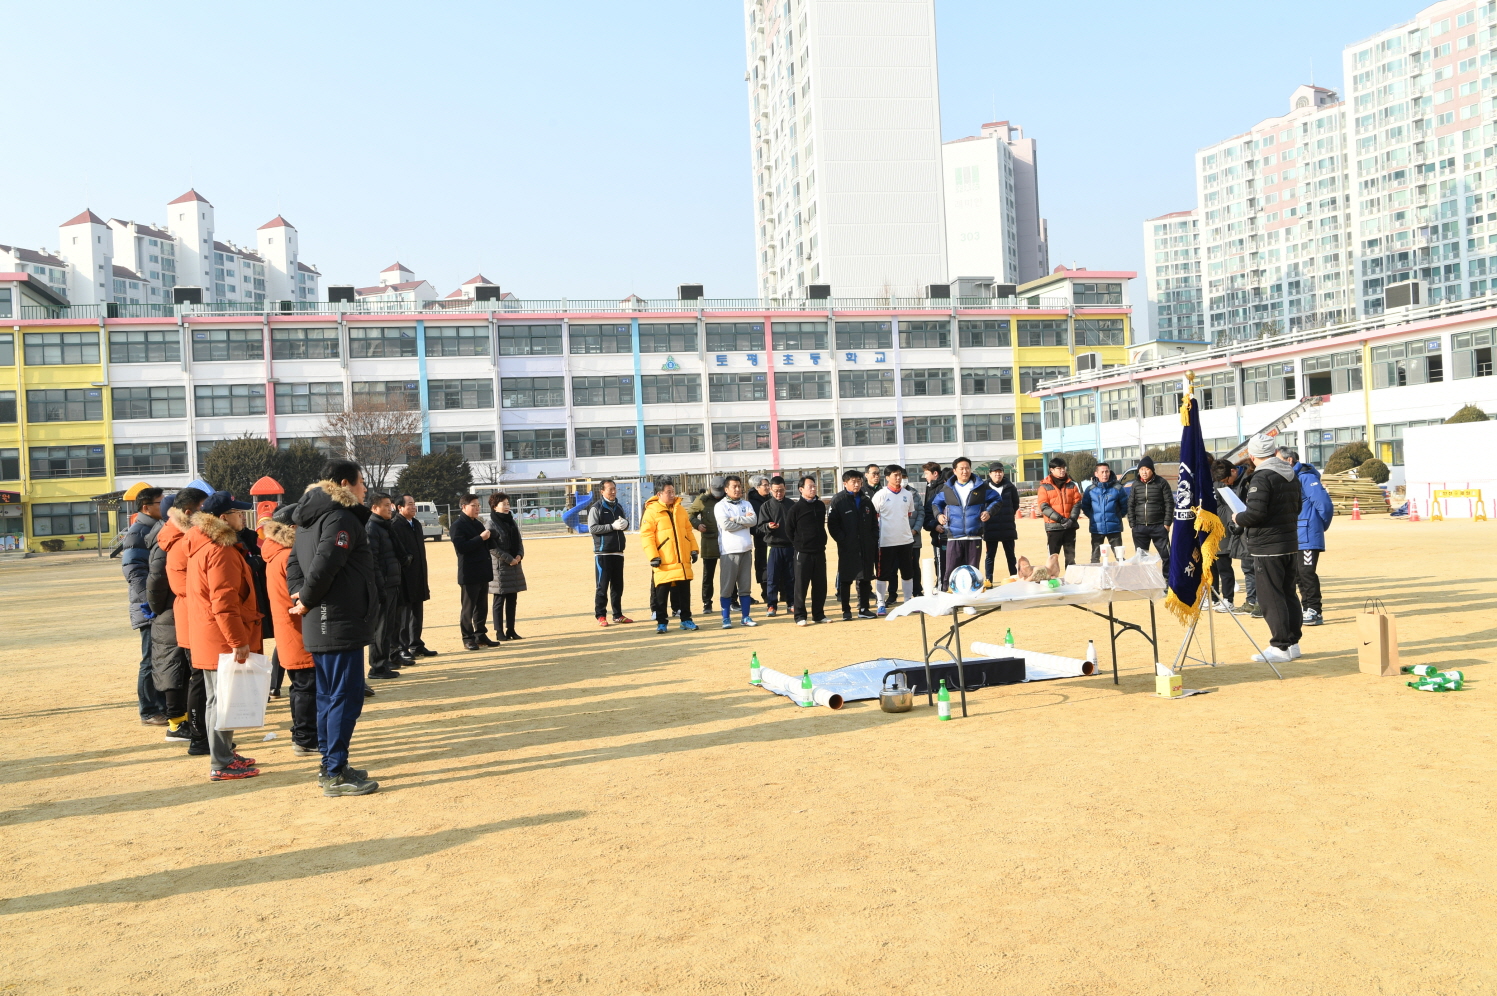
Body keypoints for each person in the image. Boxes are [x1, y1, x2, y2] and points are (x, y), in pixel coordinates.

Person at [289, 460, 381, 797]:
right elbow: (326, 562)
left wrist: (300, 595)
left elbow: (294, 563)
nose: (365, 489)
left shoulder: (309, 516)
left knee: (330, 697)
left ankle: (331, 764)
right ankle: (334, 771)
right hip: (337, 620)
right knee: (344, 697)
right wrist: (306, 599)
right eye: (361, 482)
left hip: (324, 620)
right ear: (345, 484)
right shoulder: (339, 516)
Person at [185, 491, 263, 781]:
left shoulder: (204, 544)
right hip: (220, 636)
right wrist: (238, 641)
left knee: (217, 699)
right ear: (222, 518)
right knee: (222, 700)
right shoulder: (220, 551)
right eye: (237, 513)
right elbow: (224, 602)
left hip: (210, 633)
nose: (242, 517)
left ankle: (224, 753)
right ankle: (221, 761)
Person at [1232, 435, 1304, 664]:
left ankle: (1280, 646)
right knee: (1288, 593)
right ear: (1273, 452)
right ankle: (1292, 643)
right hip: (1289, 541)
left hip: (1267, 545)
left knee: (1271, 596)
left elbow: (1255, 514)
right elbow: (1298, 507)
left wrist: (1237, 517)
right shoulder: (1290, 474)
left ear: (1252, 456)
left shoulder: (1262, 477)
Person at [146, 487, 207, 746]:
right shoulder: (174, 540)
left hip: (175, 608)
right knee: (174, 668)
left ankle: (181, 722)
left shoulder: (175, 534)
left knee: (179, 669)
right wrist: (159, 607)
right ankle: (177, 724)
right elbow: (156, 579)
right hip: (172, 610)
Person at [260, 504, 317, 757]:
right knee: (305, 686)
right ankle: (304, 738)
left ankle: (303, 735)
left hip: (290, 627)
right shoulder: (287, 556)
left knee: (300, 685)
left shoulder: (276, 553)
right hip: (297, 627)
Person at [122, 486, 169, 726]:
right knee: (149, 660)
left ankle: (162, 706)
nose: (165, 506)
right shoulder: (138, 532)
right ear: (146, 507)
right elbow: (133, 571)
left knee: (161, 659)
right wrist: (150, 601)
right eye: (160, 502)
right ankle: (148, 711)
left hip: (158, 604)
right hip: (147, 607)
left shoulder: (157, 527)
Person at [640, 478, 699, 633]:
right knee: (661, 594)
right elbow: (646, 536)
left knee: (684, 593)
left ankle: (686, 619)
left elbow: (688, 531)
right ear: (659, 494)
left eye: (673, 491)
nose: (672, 495)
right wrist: (653, 556)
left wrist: (693, 549)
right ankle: (661, 622)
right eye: (669, 492)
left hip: (682, 560)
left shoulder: (680, 509)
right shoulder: (651, 511)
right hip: (663, 561)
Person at [1283, 448, 1333, 627]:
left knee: (1306, 573)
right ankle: (1306, 608)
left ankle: (1314, 610)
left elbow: (1324, 504)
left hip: (1308, 534)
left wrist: (1319, 526)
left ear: (1289, 460)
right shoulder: (1290, 478)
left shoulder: (1306, 477)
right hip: (1296, 534)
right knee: (1298, 574)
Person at [932, 457, 997, 588]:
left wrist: (989, 512)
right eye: (961, 468)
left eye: (967, 468)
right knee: (950, 571)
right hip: (954, 536)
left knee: (972, 572)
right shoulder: (948, 488)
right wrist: (939, 515)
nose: (965, 471)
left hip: (974, 536)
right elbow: (936, 503)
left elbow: (996, 499)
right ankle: (947, 596)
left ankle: (971, 598)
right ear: (954, 471)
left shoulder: (980, 486)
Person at [828, 469, 879, 619]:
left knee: (865, 578)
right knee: (846, 578)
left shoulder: (866, 500)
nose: (857, 484)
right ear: (845, 483)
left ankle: (864, 608)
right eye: (853, 482)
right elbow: (832, 525)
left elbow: (874, 522)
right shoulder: (838, 500)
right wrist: (843, 540)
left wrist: (872, 538)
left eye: (859, 482)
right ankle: (846, 610)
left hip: (866, 546)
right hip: (847, 547)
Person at [872, 464, 921, 615]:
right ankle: (881, 603)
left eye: (900, 475)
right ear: (887, 477)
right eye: (895, 475)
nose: (899, 478)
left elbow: (909, 514)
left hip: (905, 541)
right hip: (886, 542)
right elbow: (874, 516)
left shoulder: (908, 494)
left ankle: (907, 601)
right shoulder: (880, 495)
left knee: (908, 573)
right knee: (882, 574)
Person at [365, 492, 404, 678]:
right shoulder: (372, 527)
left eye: (391, 505)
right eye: (386, 505)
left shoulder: (384, 526)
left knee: (388, 626)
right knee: (380, 627)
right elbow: (372, 560)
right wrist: (380, 585)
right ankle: (377, 667)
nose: (391, 508)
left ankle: (385, 661)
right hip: (383, 585)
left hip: (391, 583)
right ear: (375, 508)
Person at [451, 493, 497, 650]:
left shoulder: (477, 524)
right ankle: (467, 638)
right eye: (474, 506)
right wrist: (481, 538)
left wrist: (492, 536)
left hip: (482, 571)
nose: (477, 508)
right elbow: (461, 547)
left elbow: (485, 545)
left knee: (481, 607)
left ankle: (480, 635)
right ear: (464, 507)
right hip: (469, 573)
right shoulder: (457, 525)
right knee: (468, 608)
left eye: (478, 505)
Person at [714, 475, 759, 628]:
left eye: (739, 486)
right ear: (726, 489)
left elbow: (753, 521)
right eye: (734, 486)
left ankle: (745, 617)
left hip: (746, 550)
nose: (738, 489)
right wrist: (743, 522)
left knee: (745, 587)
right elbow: (726, 525)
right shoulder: (720, 506)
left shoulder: (746, 504)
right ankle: (726, 618)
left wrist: (735, 519)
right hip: (729, 552)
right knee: (727, 587)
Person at [785, 474, 830, 625]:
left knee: (820, 585)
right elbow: (789, 530)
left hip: (819, 551)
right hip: (803, 552)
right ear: (801, 489)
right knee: (801, 585)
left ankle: (818, 614)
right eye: (810, 486)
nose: (813, 488)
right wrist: (799, 544)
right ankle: (800, 616)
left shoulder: (820, 505)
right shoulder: (795, 508)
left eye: (814, 486)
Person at [393, 495, 435, 657]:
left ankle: (416, 644)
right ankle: (402, 647)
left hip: (418, 573)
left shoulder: (416, 523)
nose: (413, 507)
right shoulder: (396, 525)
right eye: (410, 504)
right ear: (400, 507)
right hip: (404, 576)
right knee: (404, 614)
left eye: (414, 504)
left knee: (417, 611)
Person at [588, 479, 632, 626]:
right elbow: (592, 528)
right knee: (602, 586)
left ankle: (617, 614)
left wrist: (626, 524)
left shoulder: (619, 506)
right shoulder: (596, 508)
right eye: (610, 489)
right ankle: (601, 615)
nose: (613, 491)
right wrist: (611, 526)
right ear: (602, 491)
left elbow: (623, 524)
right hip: (603, 553)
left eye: (614, 488)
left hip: (618, 552)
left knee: (617, 586)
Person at [487, 492, 528, 640]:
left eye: (508, 504)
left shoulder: (511, 521)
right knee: (499, 600)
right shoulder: (490, 523)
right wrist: (509, 559)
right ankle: (499, 632)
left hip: (514, 565)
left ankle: (511, 629)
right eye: (503, 504)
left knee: (512, 600)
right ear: (494, 506)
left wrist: (519, 555)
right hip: (500, 567)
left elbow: (519, 541)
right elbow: (492, 547)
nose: (507, 506)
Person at [755, 476, 796, 617]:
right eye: (776, 490)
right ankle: (771, 605)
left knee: (791, 577)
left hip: (790, 546)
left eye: (781, 490)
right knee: (772, 578)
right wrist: (768, 526)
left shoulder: (791, 504)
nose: (779, 493)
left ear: (785, 489)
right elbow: (760, 526)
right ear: (771, 490)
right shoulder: (766, 506)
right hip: (773, 546)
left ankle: (791, 603)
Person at [686, 477, 725, 615]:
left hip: (727, 541)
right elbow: (690, 514)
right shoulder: (702, 500)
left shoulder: (728, 498)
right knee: (708, 575)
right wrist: (697, 524)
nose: (718, 495)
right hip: (709, 541)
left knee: (730, 573)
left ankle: (733, 600)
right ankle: (707, 603)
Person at [1035, 457, 1083, 567]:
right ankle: (1053, 577)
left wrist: (1071, 519)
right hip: (1054, 528)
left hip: (1070, 527)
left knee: (1070, 558)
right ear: (1051, 470)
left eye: (1063, 468)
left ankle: (1070, 577)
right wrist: (1061, 519)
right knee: (1052, 559)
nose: (1062, 470)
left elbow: (1077, 503)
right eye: (1059, 468)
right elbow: (1044, 507)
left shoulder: (1072, 485)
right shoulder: (1044, 487)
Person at [1128, 456, 1172, 575]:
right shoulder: (1135, 485)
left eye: (1147, 469)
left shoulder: (1161, 483)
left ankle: (1168, 579)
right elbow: (1130, 505)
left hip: (1159, 526)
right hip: (1140, 527)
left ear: (1152, 470)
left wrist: (1167, 523)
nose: (1144, 472)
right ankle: (1144, 580)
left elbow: (1169, 503)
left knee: (1166, 556)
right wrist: (1133, 525)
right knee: (1141, 558)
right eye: (1141, 469)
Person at [1079, 461, 1126, 563]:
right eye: (1102, 472)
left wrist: (1116, 516)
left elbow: (1124, 506)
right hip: (1097, 528)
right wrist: (1093, 517)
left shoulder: (1118, 489)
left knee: (1120, 557)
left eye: (1107, 471)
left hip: (1114, 528)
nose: (1105, 474)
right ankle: (1095, 573)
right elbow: (1085, 506)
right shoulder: (1090, 490)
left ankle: (1122, 572)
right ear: (1096, 474)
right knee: (1095, 558)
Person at [1210, 459, 1241, 613]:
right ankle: (1216, 598)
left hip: (1221, 533)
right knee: (1215, 569)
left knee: (1222, 568)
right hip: (1214, 533)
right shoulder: (1214, 486)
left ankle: (1227, 599)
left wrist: (1230, 526)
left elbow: (1230, 509)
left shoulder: (1220, 486)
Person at [981, 463, 1020, 580]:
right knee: (990, 556)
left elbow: (1015, 504)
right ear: (990, 474)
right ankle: (989, 580)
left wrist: (1007, 514)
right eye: (995, 472)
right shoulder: (984, 488)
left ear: (1003, 473)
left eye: (1000, 472)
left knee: (1011, 556)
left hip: (1007, 527)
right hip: (990, 527)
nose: (998, 474)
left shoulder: (1010, 487)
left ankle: (1014, 579)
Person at [921, 462, 949, 586]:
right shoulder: (930, 487)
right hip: (937, 531)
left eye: (927, 473)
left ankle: (944, 585)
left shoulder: (943, 488)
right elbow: (928, 511)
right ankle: (941, 584)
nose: (925, 476)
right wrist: (933, 525)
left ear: (935, 473)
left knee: (945, 560)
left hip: (947, 532)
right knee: (939, 560)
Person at [747, 475, 771, 603]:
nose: (767, 487)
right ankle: (766, 593)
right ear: (757, 487)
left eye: (768, 485)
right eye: (764, 485)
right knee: (763, 566)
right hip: (761, 539)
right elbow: (752, 526)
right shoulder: (751, 503)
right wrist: (765, 529)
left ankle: (783, 592)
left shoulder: (772, 499)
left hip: (775, 539)